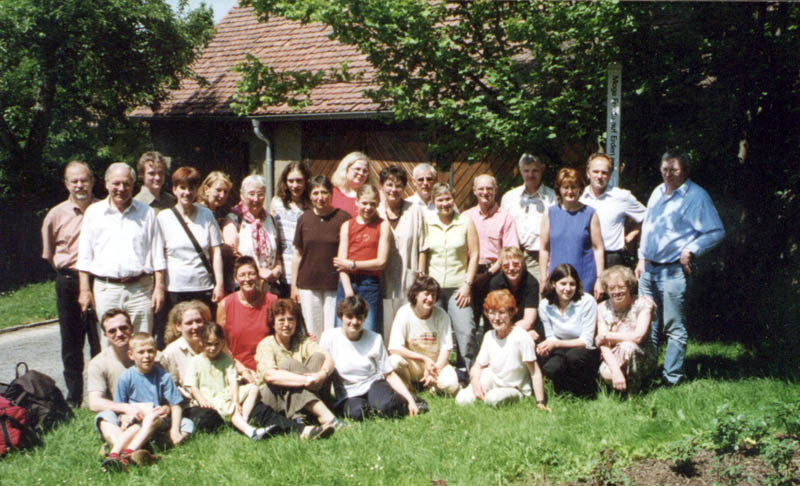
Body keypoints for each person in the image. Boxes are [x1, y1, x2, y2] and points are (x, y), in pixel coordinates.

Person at [636, 150, 724, 386]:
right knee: (647, 323)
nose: (668, 175)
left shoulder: (696, 197)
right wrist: (641, 257)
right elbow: (649, 227)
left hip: (673, 270)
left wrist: (691, 249)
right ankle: (646, 371)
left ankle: (671, 377)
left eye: (673, 170)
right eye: (664, 169)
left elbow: (716, 231)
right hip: (649, 270)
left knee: (673, 325)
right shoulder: (657, 191)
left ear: (685, 171)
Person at [77, 162, 166, 339]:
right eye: (116, 183)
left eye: (126, 184)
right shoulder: (94, 213)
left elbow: (157, 253)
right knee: (111, 344)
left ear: (133, 185)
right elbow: (84, 256)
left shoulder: (146, 213)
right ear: (106, 184)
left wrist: (159, 287)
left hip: (140, 289)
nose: (121, 188)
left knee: (141, 342)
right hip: (106, 289)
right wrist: (85, 290)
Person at [41, 160, 100, 407]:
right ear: (66, 184)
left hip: (99, 280)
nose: (80, 185)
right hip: (68, 280)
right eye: (74, 180)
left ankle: (101, 394)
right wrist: (70, 275)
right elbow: (49, 253)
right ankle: (74, 397)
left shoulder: (104, 209)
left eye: (84, 179)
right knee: (71, 341)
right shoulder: (55, 214)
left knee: (100, 337)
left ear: (93, 181)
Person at [320, 296, 420, 421]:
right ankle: (374, 406)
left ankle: (408, 400)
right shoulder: (328, 338)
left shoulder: (375, 338)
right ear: (341, 317)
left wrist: (410, 400)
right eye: (349, 317)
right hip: (349, 393)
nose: (354, 322)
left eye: (359, 317)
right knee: (358, 413)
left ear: (364, 318)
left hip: (373, 384)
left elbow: (389, 374)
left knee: (388, 407)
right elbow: (325, 374)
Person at [156, 166, 224, 348]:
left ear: (197, 190)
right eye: (182, 188)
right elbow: (159, 255)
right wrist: (159, 286)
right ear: (174, 190)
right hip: (175, 288)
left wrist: (219, 284)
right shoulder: (164, 218)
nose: (187, 192)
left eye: (191, 188)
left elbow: (216, 251)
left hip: (202, 287)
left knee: (203, 335)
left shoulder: (206, 215)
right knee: (174, 336)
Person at [255, 299, 343, 437]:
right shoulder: (266, 344)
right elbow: (270, 376)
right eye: (281, 320)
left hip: (303, 389)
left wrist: (321, 375)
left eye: (291, 320)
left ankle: (301, 414)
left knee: (318, 357)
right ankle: (325, 416)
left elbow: (328, 358)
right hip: (272, 396)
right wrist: (305, 380)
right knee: (289, 364)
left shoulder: (302, 340)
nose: (286, 324)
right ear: (273, 323)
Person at [107, 333, 192, 471]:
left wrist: (175, 430)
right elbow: (120, 407)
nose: (147, 356)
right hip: (136, 420)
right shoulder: (125, 378)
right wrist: (124, 418)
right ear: (131, 355)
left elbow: (175, 405)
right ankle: (115, 455)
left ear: (155, 352)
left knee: (187, 424)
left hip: (158, 419)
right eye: (141, 352)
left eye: (150, 351)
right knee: (133, 427)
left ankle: (126, 453)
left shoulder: (163, 376)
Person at [455, 289, 549, 409]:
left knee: (492, 399)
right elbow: (477, 366)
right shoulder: (489, 336)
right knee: (461, 400)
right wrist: (475, 381)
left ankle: (511, 396)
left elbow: (534, 372)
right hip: (493, 379)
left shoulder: (521, 337)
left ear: (511, 313)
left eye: (502, 312)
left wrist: (540, 403)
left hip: (514, 387)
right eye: (492, 313)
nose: (497, 318)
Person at [185, 323, 273, 440]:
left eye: (217, 344)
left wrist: (236, 401)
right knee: (230, 406)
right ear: (201, 342)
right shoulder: (196, 361)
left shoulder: (226, 359)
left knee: (253, 388)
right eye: (209, 344)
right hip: (209, 396)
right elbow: (192, 386)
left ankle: (243, 421)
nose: (213, 348)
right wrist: (202, 400)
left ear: (222, 342)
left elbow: (233, 381)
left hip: (225, 392)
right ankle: (250, 431)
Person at [426, 182, 480, 370]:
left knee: (466, 330)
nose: (444, 203)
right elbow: (423, 253)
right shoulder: (427, 223)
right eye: (440, 200)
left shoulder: (465, 222)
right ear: (433, 202)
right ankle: (434, 372)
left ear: (454, 199)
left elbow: (474, 255)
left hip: (459, 287)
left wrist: (467, 284)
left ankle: (467, 371)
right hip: (433, 288)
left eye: (448, 199)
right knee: (433, 332)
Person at [291, 176, 351, 337]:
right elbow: (297, 254)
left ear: (331, 194)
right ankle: (316, 362)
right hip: (308, 285)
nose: (320, 197)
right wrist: (294, 286)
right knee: (312, 333)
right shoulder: (304, 219)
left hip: (334, 285)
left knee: (332, 332)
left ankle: (331, 363)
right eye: (315, 193)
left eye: (324, 192)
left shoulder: (343, 218)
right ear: (310, 195)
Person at [377, 166, 427, 340]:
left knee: (407, 321)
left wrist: (420, 274)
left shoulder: (415, 211)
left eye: (398, 185)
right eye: (389, 184)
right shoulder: (376, 212)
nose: (393, 189)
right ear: (381, 186)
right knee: (385, 322)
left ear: (404, 188)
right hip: (383, 277)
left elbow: (422, 246)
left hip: (409, 275)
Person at [463, 174, 519, 328]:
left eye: (489, 188)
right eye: (481, 188)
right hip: (470, 273)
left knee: (494, 319)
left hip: (495, 273)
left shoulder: (506, 218)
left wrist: (488, 274)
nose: (485, 192)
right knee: (468, 322)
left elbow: (509, 253)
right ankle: (469, 352)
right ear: (474, 191)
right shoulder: (466, 217)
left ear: (496, 190)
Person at [387, 276, 459, 396]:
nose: (430, 299)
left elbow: (446, 349)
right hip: (413, 365)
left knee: (451, 385)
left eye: (433, 295)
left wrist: (434, 371)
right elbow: (393, 348)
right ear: (416, 294)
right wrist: (423, 358)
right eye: (426, 294)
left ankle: (430, 387)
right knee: (393, 361)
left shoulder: (442, 315)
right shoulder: (404, 313)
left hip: (435, 366)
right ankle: (408, 387)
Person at [333, 184, 390, 335]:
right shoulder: (347, 225)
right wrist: (348, 291)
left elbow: (381, 262)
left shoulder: (383, 225)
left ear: (378, 204)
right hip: (347, 283)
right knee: (342, 331)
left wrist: (353, 264)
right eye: (364, 203)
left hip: (370, 284)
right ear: (356, 202)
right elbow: (340, 263)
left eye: (372, 203)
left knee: (370, 330)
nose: (368, 207)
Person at [540, 167, 604, 297]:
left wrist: (599, 279)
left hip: (584, 279)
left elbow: (598, 249)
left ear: (580, 189)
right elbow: (544, 249)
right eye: (565, 187)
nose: (570, 191)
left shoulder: (590, 213)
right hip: (557, 279)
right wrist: (543, 279)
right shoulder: (549, 213)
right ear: (559, 189)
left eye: (574, 187)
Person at [537, 264, 599, 396]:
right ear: (554, 284)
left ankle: (585, 392)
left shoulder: (587, 301)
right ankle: (563, 392)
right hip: (560, 347)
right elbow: (551, 336)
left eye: (572, 284)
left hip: (584, 350)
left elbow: (586, 341)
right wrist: (546, 346)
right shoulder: (545, 305)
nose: (568, 288)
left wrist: (557, 344)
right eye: (563, 283)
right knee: (550, 368)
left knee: (574, 357)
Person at [87, 310, 140, 464]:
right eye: (112, 331)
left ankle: (119, 450)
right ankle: (130, 452)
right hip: (118, 415)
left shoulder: (150, 354)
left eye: (123, 328)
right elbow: (94, 402)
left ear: (131, 328)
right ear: (105, 335)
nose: (119, 333)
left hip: (147, 412)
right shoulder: (99, 363)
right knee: (103, 418)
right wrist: (125, 408)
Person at [595, 266, 657, 393]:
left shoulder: (644, 303)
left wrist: (607, 335)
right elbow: (603, 345)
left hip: (642, 353)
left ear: (629, 287)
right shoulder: (601, 308)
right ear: (606, 290)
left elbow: (638, 337)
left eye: (621, 287)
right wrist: (616, 371)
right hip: (614, 355)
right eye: (611, 288)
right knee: (607, 373)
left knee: (628, 346)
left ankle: (634, 393)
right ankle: (622, 383)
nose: (617, 292)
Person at [217, 256, 278, 382]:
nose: (247, 279)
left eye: (251, 274)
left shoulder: (272, 301)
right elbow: (221, 344)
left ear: (258, 276)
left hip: (268, 368)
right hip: (238, 370)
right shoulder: (225, 305)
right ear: (235, 279)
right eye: (242, 275)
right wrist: (241, 370)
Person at [580, 153, 646, 268]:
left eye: (604, 172)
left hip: (612, 258)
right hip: (584, 256)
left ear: (610, 175)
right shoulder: (579, 197)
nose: (599, 176)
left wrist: (631, 235)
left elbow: (648, 217)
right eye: (595, 171)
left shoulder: (621, 196)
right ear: (588, 172)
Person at [501, 154, 557, 282]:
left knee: (540, 298)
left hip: (540, 257)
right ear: (521, 171)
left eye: (534, 170)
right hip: (514, 258)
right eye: (526, 171)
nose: (530, 175)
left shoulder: (553, 198)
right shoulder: (509, 198)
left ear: (542, 169)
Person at [223, 174, 282, 287]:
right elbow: (233, 254)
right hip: (244, 285)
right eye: (251, 194)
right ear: (242, 195)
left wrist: (277, 269)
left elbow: (278, 253)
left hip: (268, 286)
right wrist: (258, 271)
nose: (256, 199)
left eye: (260, 194)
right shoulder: (234, 219)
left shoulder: (270, 220)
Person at [270, 162, 312, 294]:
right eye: (291, 181)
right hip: (282, 267)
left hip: (304, 266)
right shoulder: (277, 202)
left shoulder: (312, 205)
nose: (295, 185)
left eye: (299, 181)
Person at [488, 247, 540, 341]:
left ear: (523, 264)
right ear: (501, 268)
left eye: (516, 264)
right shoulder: (495, 283)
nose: (511, 268)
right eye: (506, 266)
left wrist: (516, 332)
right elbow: (496, 316)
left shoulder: (532, 283)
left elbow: (529, 321)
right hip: (501, 326)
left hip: (525, 327)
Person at [196, 170, 236, 292]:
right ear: (206, 189)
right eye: (218, 190)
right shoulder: (198, 211)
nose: (222, 195)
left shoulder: (220, 211)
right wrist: (225, 248)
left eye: (226, 192)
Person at [330, 151, 373, 217]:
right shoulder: (332, 193)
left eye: (365, 171)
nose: (361, 173)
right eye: (357, 169)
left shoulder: (372, 196)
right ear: (346, 169)